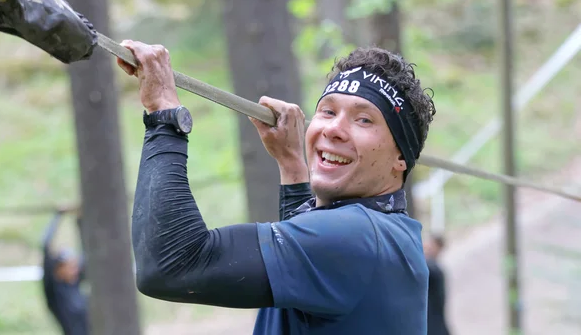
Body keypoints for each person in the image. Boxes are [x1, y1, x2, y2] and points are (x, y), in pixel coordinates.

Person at [117, 41, 436, 334]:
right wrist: (292, 164)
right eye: (328, 111)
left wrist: (163, 114)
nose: (334, 129)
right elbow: (312, 267)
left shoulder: (357, 237)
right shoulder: (390, 233)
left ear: (400, 158)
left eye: (364, 120)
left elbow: (172, 265)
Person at [41, 206, 88, 335]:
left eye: (74, 265)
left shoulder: (76, 283)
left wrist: (80, 222)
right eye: (69, 266)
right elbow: (45, 246)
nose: (74, 269)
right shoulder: (54, 290)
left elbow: (86, 252)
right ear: (58, 270)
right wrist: (58, 216)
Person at [424, 234, 451, 335]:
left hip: (434, 326)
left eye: (431, 245)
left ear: (439, 248)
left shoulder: (434, 269)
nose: (426, 247)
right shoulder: (433, 269)